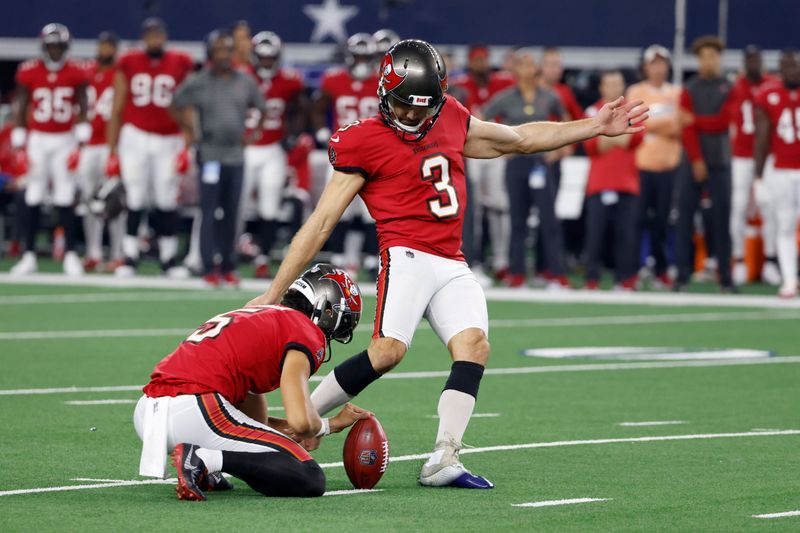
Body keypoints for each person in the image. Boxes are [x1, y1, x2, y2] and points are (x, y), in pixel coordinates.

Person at [248, 39, 647, 488]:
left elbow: (520, 139)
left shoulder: (452, 115)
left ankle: (444, 456)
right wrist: (275, 291)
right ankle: (300, 427)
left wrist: (593, 126)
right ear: (384, 92)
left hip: (451, 259)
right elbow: (321, 222)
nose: (415, 117)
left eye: (424, 107)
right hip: (406, 253)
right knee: (387, 352)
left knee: (474, 347)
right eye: (405, 106)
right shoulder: (363, 139)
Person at [134, 264, 370, 500]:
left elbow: (254, 423)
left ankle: (205, 462)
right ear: (327, 310)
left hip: (149, 411)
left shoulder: (259, 315)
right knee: (309, 477)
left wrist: (294, 428)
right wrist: (330, 425)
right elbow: (300, 422)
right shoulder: (305, 330)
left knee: (259, 436)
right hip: (195, 407)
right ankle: (204, 459)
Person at [171, 30, 265, 287]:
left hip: (236, 155)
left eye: (227, 50)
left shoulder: (244, 81)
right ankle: (207, 266)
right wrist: (190, 130)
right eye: (219, 51)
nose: (224, 55)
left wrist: (253, 134)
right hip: (210, 154)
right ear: (210, 54)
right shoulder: (199, 81)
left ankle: (228, 265)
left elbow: (262, 107)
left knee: (232, 212)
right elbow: (176, 103)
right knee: (209, 211)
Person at [106, 18, 195, 278]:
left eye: (159, 34)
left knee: (166, 198)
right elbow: (117, 106)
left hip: (168, 138)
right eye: (150, 35)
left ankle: (167, 259)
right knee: (134, 197)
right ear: (144, 37)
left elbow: (187, 103)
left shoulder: (180, 62)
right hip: (135, 136)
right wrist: (112, 150)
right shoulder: (129, 61)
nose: (155, 39)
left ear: (164, 36)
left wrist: (187, 142)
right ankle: (129, 257)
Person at [483, 48, 569, 288]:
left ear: (537, 69)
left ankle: (556, 273)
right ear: (515, 69)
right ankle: (517, 273)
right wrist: (500, 148)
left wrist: (558, 150)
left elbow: (566, 124)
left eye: (531, 64)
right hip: (517, 163)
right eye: (523, 64)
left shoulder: (549, 96)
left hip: (541, 163)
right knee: (517, 219)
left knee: (549, 219)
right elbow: (481, 118)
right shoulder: (505, 97)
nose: (527, 69)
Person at [9, 23, 90, 276]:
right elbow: (21, 102)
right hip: (38, 139)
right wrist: (19, 134)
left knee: (65, 196)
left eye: (59, 46)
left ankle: (70, 254)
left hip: (64, 138)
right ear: (44, 47)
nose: (55, 51)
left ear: (65, 47)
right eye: (51, 46)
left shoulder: (76, 71)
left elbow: (83, 101)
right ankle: (29, 254)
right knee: (32, 194)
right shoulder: (29, 71)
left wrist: (82, 129)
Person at [311, 33, 381, 276]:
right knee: (340, 207)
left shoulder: (382, 81)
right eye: (358, 56)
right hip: (343, 154)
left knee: (371, 210)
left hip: (373, 154)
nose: (361, 61)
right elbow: (317, 106)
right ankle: (338, 257)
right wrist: (321, 130)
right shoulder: (334, 80)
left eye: (365, 56)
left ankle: (373, 259)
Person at [242, 31, 306, 279]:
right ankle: (226, 252)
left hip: (272, 149)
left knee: (269, 207)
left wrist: (293, 134)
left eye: (271, 58)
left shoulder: (289, 81)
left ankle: (262, 257)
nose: (267, 62)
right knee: (235, 206)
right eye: (263, 58)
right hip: (245, 148)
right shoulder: (242, 78)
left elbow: (301, 108)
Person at [452, 44, 515, 285]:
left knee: (499, 205)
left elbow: (514, 108)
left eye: (484, 60)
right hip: (470, 152)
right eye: (477, 60)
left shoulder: (502, 83)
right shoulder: (462, 86)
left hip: (496, 151)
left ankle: (501, 259)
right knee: (474, 207)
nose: (482, 64)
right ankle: (474, 258)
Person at [677, 35, 734, 292]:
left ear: (719, 58)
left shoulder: (729, 87)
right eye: (704, 56)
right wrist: (697, 160)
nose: (708, 61)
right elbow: (684, 130)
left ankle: (726, 277)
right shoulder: (689, 89)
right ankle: (681, 276)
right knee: (685, 220)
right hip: (692, 162)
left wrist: (696, 120)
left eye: (713, 56)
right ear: (698, 60)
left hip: (720, 161)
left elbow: (724, 121)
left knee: (723, 220)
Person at [626, 45, 683, 289]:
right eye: (654, 63)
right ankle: (635, 269)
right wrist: (664, 125)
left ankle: (661, 269)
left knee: (662, 222)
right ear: (646, 66)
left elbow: (678, 126)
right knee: (636, 220)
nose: (658, 68)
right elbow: (631, 122)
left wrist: (652, 124)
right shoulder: (636, 91)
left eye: (662, 63)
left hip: (668, 167)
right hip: (640, 167)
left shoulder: (677, 93)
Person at [583, 70, 643, 289]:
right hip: (599, 183)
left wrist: (605, 136)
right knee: (595, 234)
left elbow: (633, 139)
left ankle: (625, 279)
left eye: (618, 84)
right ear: (602, 87)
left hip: (627, 182)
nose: (614, 88)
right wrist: (617, 135)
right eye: (609, 84)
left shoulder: (632, 110)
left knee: (626, 234)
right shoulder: (591, 110)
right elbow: (590, 146)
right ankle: (592, 278)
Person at [727, 46, 781, 286]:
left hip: (767, 157)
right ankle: (739, 259)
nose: (754, 64)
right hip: (741, 155)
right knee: (738, 207)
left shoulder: (772, 85)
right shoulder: (734, 87)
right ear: (744, 63)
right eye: (750, 60)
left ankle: (770, 260)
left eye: (757, 59)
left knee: (769, 207)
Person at [754, 49, 800, 298]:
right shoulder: (768, 95)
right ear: (780, 71)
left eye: (796, 66)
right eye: (788, 67)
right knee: (785, 225)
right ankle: (790, 280)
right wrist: (758, 177)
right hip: (781, 170)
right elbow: (761, 139)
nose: (793, 71)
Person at [78, 31, 124, 273]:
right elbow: (78, 101)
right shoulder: (86, 71)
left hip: (110, 144)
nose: (104, 50)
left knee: (115, 201)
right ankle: (93, 251)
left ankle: (117, 253)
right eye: (102, 45)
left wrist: (116, 147)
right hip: (90, 144)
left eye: (109, 45)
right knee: (89, 199)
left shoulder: (121, 74)